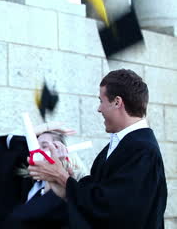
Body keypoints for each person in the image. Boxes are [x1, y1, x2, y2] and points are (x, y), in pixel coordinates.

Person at [28, 69, 167, 229]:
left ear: (117, 102)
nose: (98, 109)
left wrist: (62, 178)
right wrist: (67, 180)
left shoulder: (143, 151)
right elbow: (99, 191)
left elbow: (115, 210)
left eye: (101, 100)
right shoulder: (122, 145)